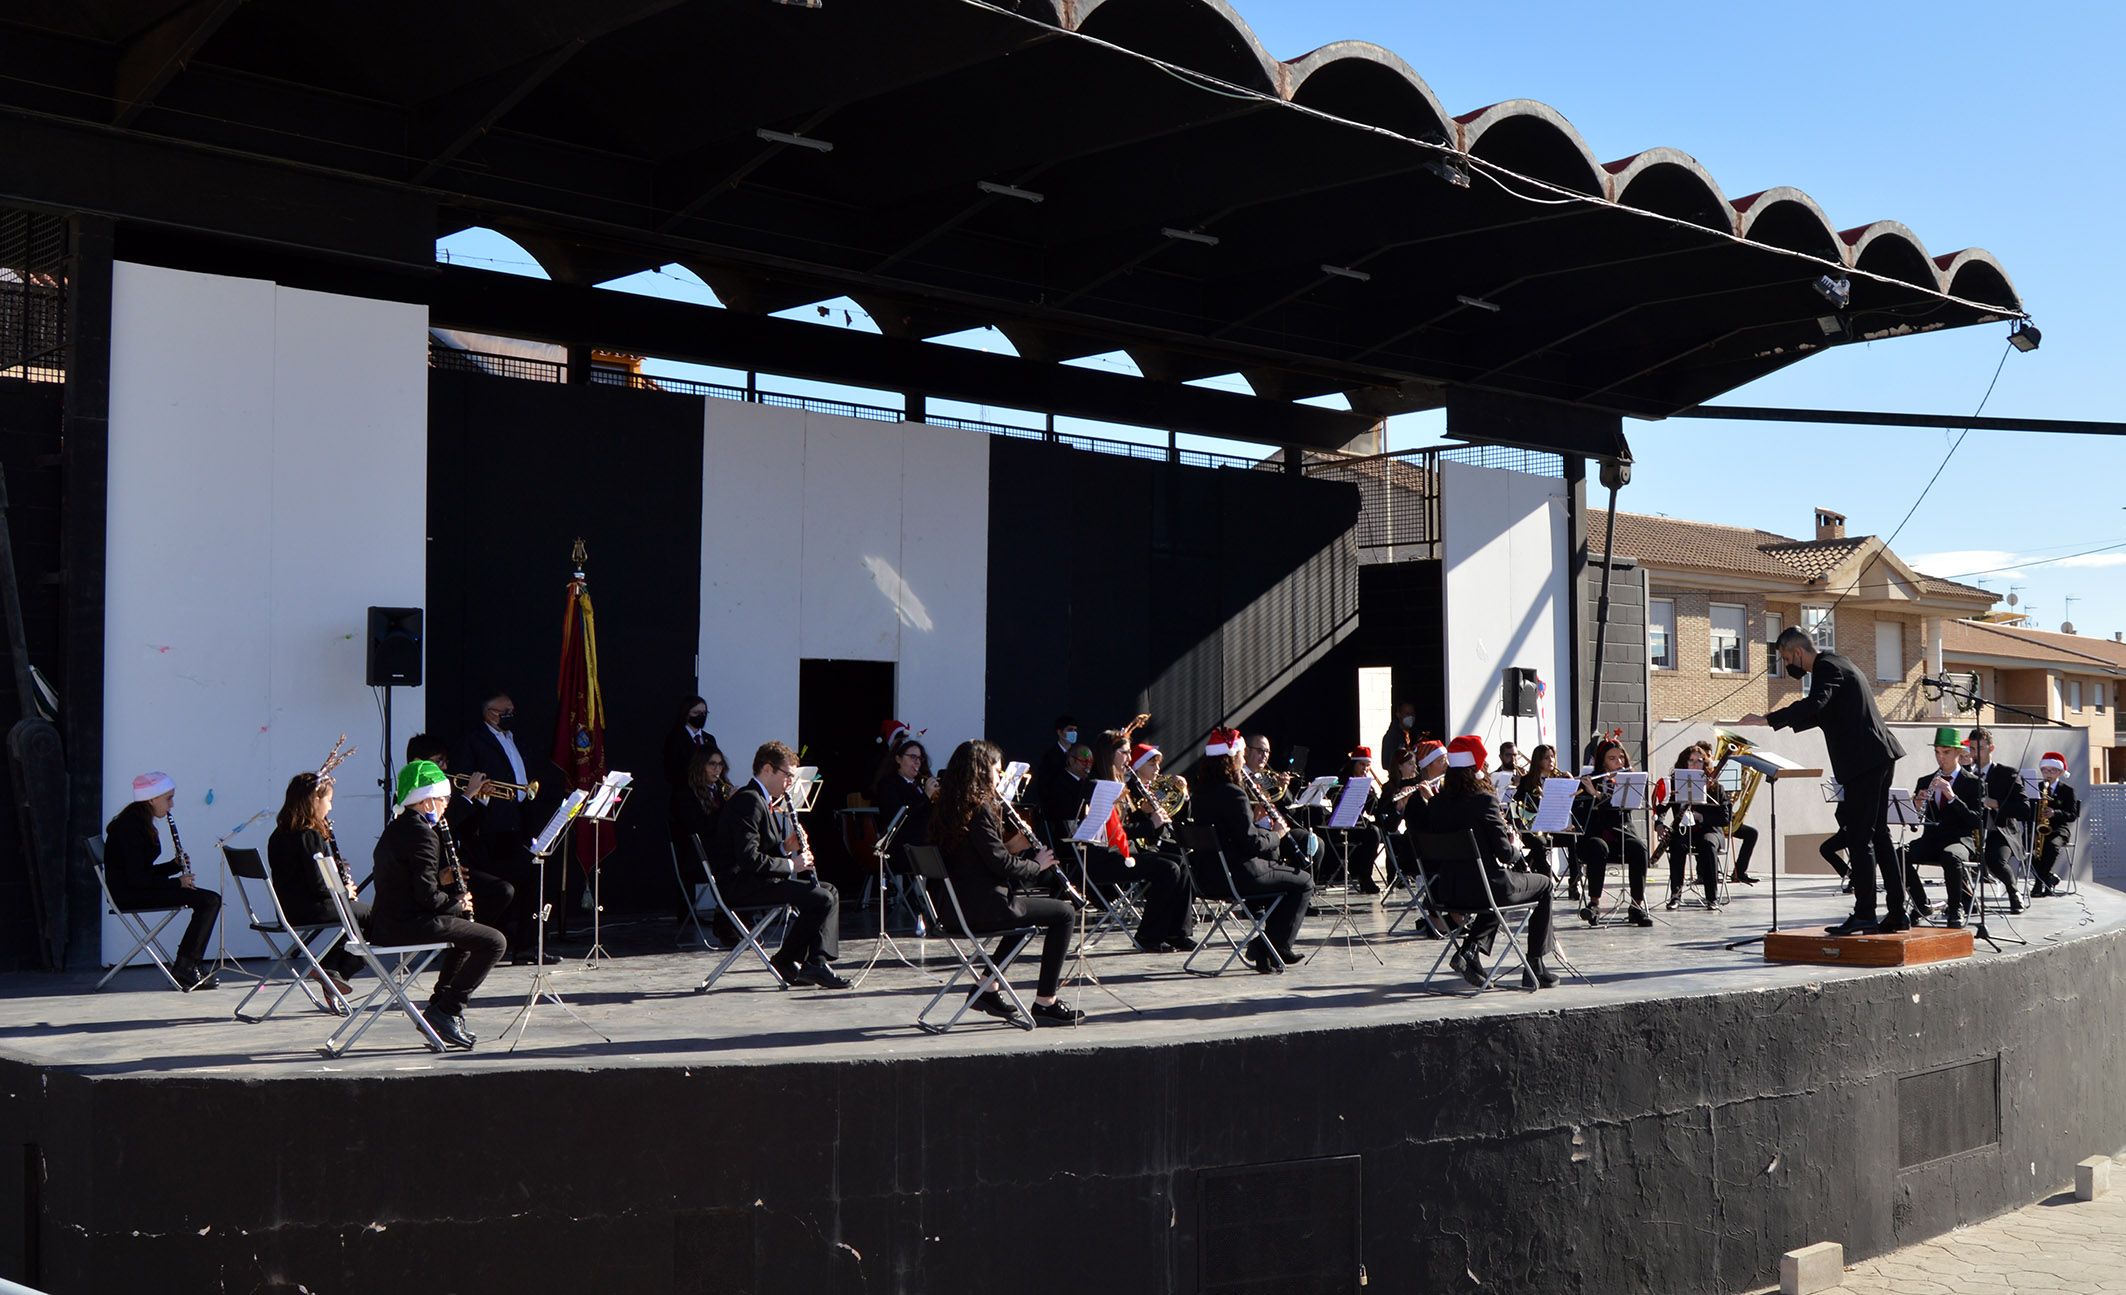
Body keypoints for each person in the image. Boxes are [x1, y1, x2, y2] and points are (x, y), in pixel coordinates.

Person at [1742, 626, 1908, 936]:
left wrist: (1767, 719)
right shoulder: (1841, 662)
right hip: (1879, 757)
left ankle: (1865, 914)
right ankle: (1898, 913)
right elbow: (1821, 714)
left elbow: (1815, 704)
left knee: (1860, 838)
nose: (1787, 664)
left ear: (1797, 653)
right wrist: (1775, 721)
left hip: (1865, 762)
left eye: (1785, 658)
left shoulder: (1827, 668)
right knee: (1880, 835)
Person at [930, 739, 1083, 1026]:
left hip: (952, 908)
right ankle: (1045, 1002)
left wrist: (1010, 848)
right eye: (997, 770)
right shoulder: (980, 809)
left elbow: (978, 859)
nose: (1000, 776)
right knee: (1064, 913)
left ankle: (987, 988)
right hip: (982, 907)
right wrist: (1037, 864)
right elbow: (1000, 865)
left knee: (1025, 917)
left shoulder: (947, 808)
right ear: (980, 770)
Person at [369, 760, 509, 1049]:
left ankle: (441, 1006)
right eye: (443, 798)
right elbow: (427, 898)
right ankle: (448, 1009)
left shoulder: (399, 827)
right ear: (427, 800)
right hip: (405, 925)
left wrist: (444, 888)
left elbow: (413, 883)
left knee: (465, 937)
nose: (446, 804)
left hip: (389, 920)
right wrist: (457, 903)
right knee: (494, 941)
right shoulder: (422, 834)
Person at [1421, 734, 1559, 989]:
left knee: (1497, 891)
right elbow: (1505, 854)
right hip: (1485, 889)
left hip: (1448, 892)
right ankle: (1535, 965)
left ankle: (1470, 951)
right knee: (1543, 885)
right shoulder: (1484, 800)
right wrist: (1516, 846)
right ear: (1476, 769)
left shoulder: (1436, 803)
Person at [713, 741, 850, 988]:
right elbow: (748, 859)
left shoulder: (760, 800)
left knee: (829, 891)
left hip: (753, 880)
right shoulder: (749, 801)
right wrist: (791, 865)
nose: (790, 782)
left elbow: (759, 853)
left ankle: (808, 961)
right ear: (767, 769)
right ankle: (799, 961)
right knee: (820, 898)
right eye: (788, 775)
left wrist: (785, 847)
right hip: (740, 885)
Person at [1194, 727, 1313, 973]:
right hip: (1239, 876)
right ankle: (1273, 947)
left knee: (1281, 881)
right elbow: (1251, 844)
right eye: (1241, 753)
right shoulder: (1234, 794)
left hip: (1207, 878)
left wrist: (1260, 830)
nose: (1242, 758)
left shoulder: (1201, 793)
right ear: (1231, 757)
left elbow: (1236, 834)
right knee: (1303, 881)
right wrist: (1277, 834)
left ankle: (1266, 947)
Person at [451, 692, 555, 964]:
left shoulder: (512, 738)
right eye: (504, 710)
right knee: (505, 886)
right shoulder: (474, 740)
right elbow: (463, 779)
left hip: (517, 821)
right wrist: (481, 795)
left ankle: (528, 946)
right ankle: (492, 943)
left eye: (512, 710)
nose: (510, 715)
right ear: (490, 712)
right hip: (489, 828)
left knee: (533, 876)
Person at [102, 772, 223, 990]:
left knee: (210, 899)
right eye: (168, 798)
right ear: (151, 799)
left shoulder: (136, 822)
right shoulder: (131, 828)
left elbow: (141, 872)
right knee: (209, 901)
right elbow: (138, 879)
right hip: (130, 895)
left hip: (135, 889)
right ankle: (186, 967)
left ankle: (189, 964)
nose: (172, 805)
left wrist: (173, 866)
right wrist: (177, 883)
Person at [404, 734, 519, 947]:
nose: (445, 766)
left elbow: (468, 828)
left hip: (462, 860)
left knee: (512, 879)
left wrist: (481, 800)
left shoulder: (448, 788)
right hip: (437, 871)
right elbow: (437, 826)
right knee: (500, 891)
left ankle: (489, 939)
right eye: (439, 761)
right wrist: (467, 796)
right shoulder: (412, 792)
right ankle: (470, 939)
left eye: (445, 761)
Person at [1088, 729, 1195, 953]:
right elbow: (1111, 832)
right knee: (1167, 869)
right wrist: (1150, 824)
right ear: (1109, 754)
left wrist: (1146, 813)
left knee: (1180, 861)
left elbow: (1126, 825)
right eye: (1124, 753)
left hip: (1123, 853)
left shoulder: (1119, 782)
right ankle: (1148, 936)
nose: (1129, 759)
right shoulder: (1098, 785)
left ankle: (1178, 932)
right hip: (1104, 858)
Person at [265, 769, 369, 989]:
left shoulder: (278, 833)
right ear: (315, 800)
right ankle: (337, 969)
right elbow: (320, 885)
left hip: (287, 909)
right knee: (372, 916)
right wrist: (344, 891)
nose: (330, 807)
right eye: (328, 801)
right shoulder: (309, 835)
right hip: (309, 908)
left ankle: (329, 969)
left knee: (353, 917)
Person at [1904, 728, 1985, 928]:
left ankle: (1956, 907)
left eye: (1946, 752)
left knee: (1951, 856)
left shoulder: (1973, 783)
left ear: (1958, 752)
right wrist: (1916, 806)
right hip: (1932, 840)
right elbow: (1915, 826)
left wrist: (1952, 798)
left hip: (1960, 840)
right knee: (1897, 854)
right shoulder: (1925, 781)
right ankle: (1921, 904)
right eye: (1937, 752)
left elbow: (1975, 821)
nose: (1941, 758)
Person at [1571, 740, 1652, 927]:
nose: (1619, 762)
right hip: (1595, 836)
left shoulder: (1628, 780)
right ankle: (1594, 904)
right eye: (1612, 758)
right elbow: (1579, 813)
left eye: (1621, 757)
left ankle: (1636, 907)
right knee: (1598, 847)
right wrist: (1587, 792)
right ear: (1603, 762)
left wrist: (1598, 795)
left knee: (1640, 849)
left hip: (1621, 833)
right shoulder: (1590, 780)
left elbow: (1622, 808)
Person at [1965, 727, 2028, 912]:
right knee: (1954, 856)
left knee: (1995, 859)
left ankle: (2013, 891)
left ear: (1991, 748)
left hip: (1999, 831)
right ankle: (1967, 901)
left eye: (1980, 748)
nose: (1974, 754)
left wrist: (1995, 803)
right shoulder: (1965, 774)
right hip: (1971, 831)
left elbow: (2024, 809)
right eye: (1972, 749)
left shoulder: (2007, 774)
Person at [1655, 742, 1721, 911]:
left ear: (1705, 764)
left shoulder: (1714, 786)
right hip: (1684, 829)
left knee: (1708, 845)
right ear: (1684, 763)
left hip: (1710, 830)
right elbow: (1661, 808)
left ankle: (1712, 898)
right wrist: (1659, 824)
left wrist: (1701, 816)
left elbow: (1725, 817)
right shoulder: (1675, 784)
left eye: (1699, 761)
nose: (1694, 764)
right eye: (1691, 760)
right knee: (1677, 844)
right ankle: (1675, 896)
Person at [871, 736, 936, 867]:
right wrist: (926, 797)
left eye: (919, 758)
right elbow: (898, 815)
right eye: (912, 757)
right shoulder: (888, 784)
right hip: (903, 845)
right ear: (898, 759)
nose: (917, 762)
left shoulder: (919, 784)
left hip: (924, 841)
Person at [1329, 747, 1383, 893]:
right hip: (1341, 824)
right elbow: (1335, 804)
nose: (1365, 769)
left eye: (1367, 766)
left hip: (1358, 823)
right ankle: (1363, 876)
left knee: (1376, 831)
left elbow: (1371, 811)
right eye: (1361, 765)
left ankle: (1366, 875)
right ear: (1354, 764)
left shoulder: (1366, 783)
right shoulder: (1341, 782)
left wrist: (1372, 796)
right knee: (1372, 832)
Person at [2027, 752, 2078, 897]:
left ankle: (2038, 883)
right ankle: (2048, 879)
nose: (2047, 773)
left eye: (2052, 770)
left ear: (2060, 772)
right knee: (2024, 845)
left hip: (2059, 829)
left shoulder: (2067, 791)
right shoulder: (2035, 788)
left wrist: (2055, 813)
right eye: (2045, 770)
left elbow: (2072, 815)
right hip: (2038, 828)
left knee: (2051, 847)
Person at [1033, 713, 1080, 807]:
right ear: (1059, 732)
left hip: (1075, 808)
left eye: (1075, 730)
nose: (1074, 733)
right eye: (1070, 730)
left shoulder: (1079, 754)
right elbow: (1043, 787)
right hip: (1057, 809)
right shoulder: (1049, 757)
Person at [1380, 701, 1418, 767]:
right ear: (1398, 714)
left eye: (1412, 714)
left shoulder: (1415, 735)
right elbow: (1386, 763)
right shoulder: (1391, 737)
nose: (1410, 717)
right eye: (1407, 713)